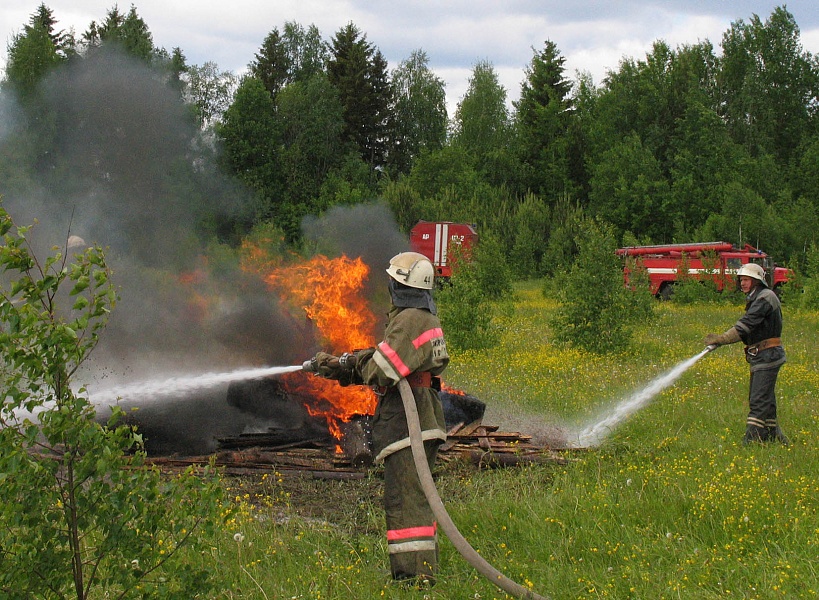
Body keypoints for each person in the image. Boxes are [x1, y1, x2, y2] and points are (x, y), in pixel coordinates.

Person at [310, 251, 448, 585]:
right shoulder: (421, 317)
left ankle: (414, 578)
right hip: (420, 417)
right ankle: (420, 571)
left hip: (408, 421)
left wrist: (356, 365)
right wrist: (343, 364)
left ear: (400, 285)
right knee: (415, 497)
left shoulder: (410, 320)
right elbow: (387, 360)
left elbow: (382, 370)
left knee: (405, 501)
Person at [703, 262, 789, 445]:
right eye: (741, 280)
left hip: (768, 355)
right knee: (766, 398)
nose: (742, 283)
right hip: (764, 355)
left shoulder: (765, 298)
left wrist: (722, 339)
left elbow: (746, 325)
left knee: (758, 400)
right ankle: (774, 437)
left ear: (757, 280)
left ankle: (751, 441)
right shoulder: (759, 297)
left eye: (746, 280)